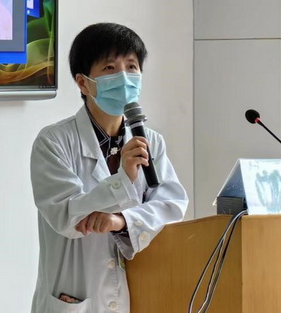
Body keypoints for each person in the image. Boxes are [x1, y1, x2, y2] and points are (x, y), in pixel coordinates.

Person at [30, 23, 188, 312]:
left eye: (131, 66)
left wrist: (123, 221)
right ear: (83, 82)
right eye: (110, 68)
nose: (124, 77)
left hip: (139, 291)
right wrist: (123, 179)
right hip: (75, 295)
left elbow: (171, 205)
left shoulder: (150, 141)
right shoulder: (53, 141)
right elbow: (67, 216)